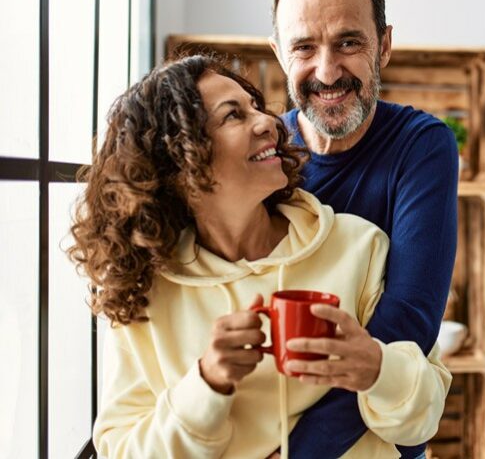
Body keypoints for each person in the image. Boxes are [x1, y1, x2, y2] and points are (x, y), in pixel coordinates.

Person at [68, 55, 450, 458]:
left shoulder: (356, 245)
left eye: (254, 106)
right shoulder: (147, 294)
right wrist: (205, 384)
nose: (269, 122)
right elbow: (120, 450)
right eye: (233, 116)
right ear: (180, 158)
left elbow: (423, 422)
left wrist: (377, 369)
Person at [268, 0, 459, 459]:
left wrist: (296, 454)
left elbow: (407, 324)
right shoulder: (260, 152)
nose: (327, 71)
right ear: (279, 54)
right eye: (304, 47)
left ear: (385, 45)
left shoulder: (423, 146)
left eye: (348, 42)